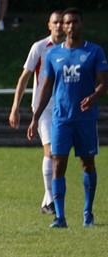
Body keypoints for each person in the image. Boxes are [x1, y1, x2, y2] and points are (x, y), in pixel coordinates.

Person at [28, 7, 108, 229]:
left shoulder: (94, 51)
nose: (71, 26)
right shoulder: (54, 54)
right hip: (61, 119)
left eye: (75, 22)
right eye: (68, 22)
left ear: (82, 24)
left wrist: (93, 97)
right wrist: (35, 117)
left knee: (87, 164)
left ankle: (87, 212)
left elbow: (104, 82)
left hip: (85, 119)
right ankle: (60, 217)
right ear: (62, 27)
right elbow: (46, 87)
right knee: (58, 163)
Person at [9, 12, 65, 215]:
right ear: (49, 25)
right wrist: (15, 107)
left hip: (64, 107)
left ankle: (46, 201)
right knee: (51, 151)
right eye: (55, 22)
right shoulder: (40, 47)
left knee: (60, 154)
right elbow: (24, 77)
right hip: (43, 108)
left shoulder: (70, 48)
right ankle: (50, 201)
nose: (59, 25)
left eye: (61, 22)